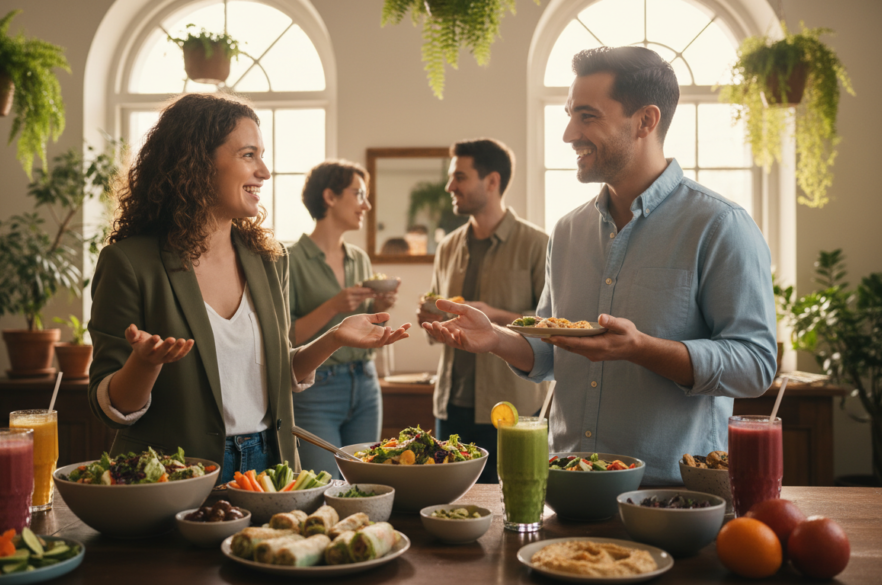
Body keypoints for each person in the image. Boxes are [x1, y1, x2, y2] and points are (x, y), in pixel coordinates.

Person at [422, 47, 777, 485]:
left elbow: (757, 364)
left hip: (671, 496)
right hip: (565, 483)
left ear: (645, 121)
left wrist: (641, 348)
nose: (569, 133)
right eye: (570, 114)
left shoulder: (720, 225)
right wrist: (494, 337)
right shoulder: (568, 231)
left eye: (587, 116)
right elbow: (552, 351)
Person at [87, 94, 411, 484]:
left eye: (262, 155)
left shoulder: (269, 260)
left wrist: (334, 339)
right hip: (177, 477)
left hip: (269, 466)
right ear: (196, 162)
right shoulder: (129, 262)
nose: (265, 171)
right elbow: (110, 407)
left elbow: (275, 375)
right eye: (248, 155)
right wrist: (145, 363)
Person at [417, 138, 551, 484]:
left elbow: (551, 325)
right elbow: (443, 322)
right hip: (450, 405)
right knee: (448, 499)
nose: (450, 186)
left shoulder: (538, 245)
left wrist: (494, 315)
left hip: (512, 406)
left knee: (511, 500)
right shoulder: (447, 247)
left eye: (459, 177)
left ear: (491, 182)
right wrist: (430, 321)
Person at [288, 160, 400, 478]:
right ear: (330, 197)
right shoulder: (290, 261)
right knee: (323, 488)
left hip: (365, 384)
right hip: (316, 390)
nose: (367, 204)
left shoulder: (360, 259)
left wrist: (381, 304)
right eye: (359, 194)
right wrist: (333, 306)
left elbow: (364, 329)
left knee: (366, 484)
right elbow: (286, 337)